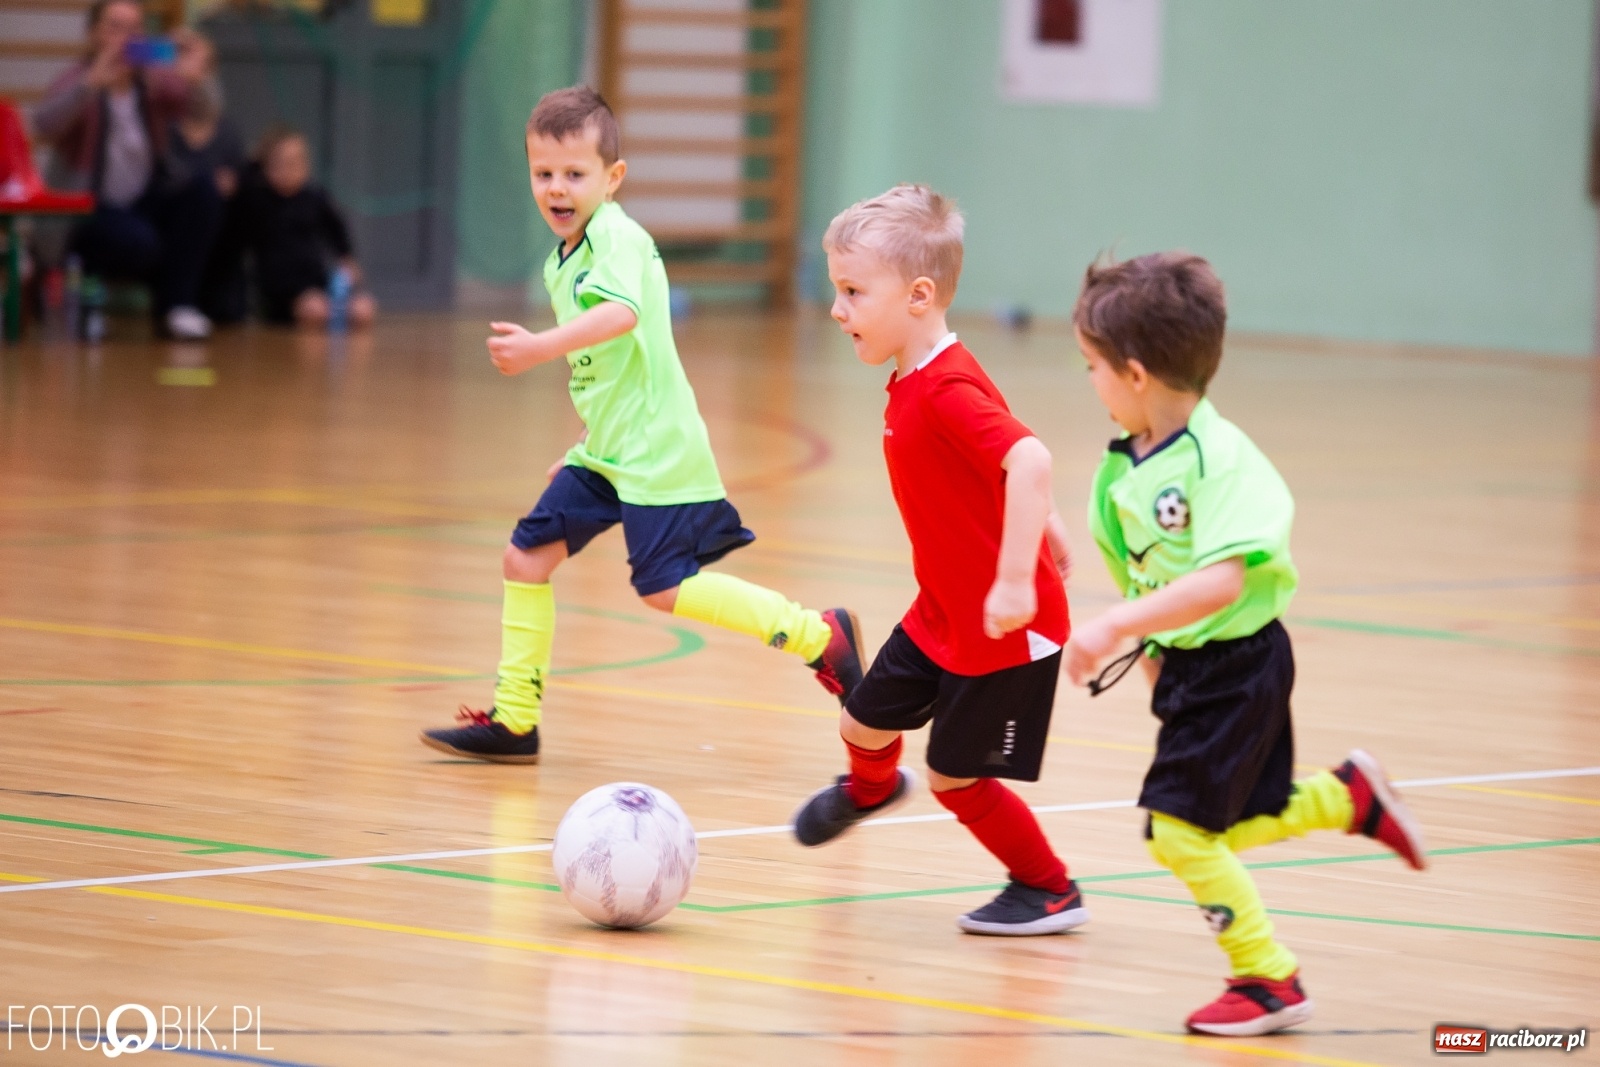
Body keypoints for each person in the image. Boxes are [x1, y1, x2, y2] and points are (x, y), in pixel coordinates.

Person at [419, 87, 863, 763]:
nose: (558, 188)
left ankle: (816, 634)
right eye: (544, 173)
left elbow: (621, 316)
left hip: (656, 451)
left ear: (612, 178)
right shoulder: (561, 258)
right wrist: (582, 444)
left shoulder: (618, 237)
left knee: (663, 586)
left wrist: (540, 344)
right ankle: (514, 720)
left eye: (575, 174)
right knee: (524, 558)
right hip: (607, 453)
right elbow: (603, 365)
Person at [1061, 251, 1428, 1036]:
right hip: (1196, 671)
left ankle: (1267, 977)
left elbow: (1222, 581)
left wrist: (1113, 626)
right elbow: (1146, 573)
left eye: (1090, 366)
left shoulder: (1218, 459)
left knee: (1178, 831)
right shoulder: (1125, 462)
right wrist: (1156, 658)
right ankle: (1346, 796)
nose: (1086, 382)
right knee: (1219, 823)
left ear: (1133, 373)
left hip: (1239, 665)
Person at [790, 184, 1086, 937]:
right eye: (837, 289)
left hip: (1005, 627)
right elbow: (1009, 449)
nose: (837, 308)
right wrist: (1046, 524)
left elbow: (1028, 456)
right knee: (861, 724)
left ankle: (1048, 886)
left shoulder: (945, 387)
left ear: (919, 296)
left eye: (853, 291)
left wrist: (1020, 573)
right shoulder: (928, 374)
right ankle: (872, 788)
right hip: (944, 609)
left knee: (958, 777)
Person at [32, 0, 221, 340]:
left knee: (202, 191)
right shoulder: (78, 78)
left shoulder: (151, 82)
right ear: (93, 34)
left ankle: (177, 306)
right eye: (114, 27)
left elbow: (205, 111)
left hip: (140, 202)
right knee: (137, 241)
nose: (124, 38)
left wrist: (196, 75)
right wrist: (90, 85)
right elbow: (44, 123)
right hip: (86, 209)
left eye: (134, 29)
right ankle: (87, 305)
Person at [231, 127, 375, 329]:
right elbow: (241, 184)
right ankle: (322, 315)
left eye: (297, 163)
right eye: (281, 164)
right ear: (266, 168)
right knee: (314, 310)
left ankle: (334, 314)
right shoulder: (258, 200)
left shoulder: (314, 197)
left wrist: (346, 258)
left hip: (315, 279)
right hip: (282, 290)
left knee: (364, 309)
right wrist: (255, 160)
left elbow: (335, 228)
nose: (290, 170)